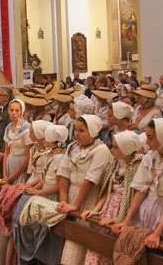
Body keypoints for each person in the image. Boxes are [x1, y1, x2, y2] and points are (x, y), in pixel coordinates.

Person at [112, 119, 163, 234]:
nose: (147, 142)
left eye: (150, 138)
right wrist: (126, 221)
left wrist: (158, 232)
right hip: (146, 210)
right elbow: (141, 192)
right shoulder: (149, 158)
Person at [81, 130, 144, 265]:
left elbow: (135, 197)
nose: (112, 149)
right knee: (96, 246)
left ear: (126, 149)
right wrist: (95, 210)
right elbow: (107, 191)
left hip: (124, 209)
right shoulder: (116, 163)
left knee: (112, 249)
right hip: (109, 206)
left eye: (115, 147)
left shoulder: (138, 166)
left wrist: (118, 219)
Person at [56, 114, 111, 265]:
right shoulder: (72, 146)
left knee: (78, 246)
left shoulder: (101, 150)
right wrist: (63, 199)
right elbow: (63, 173)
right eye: (76, 130)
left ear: (92, 132)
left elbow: (90, 180)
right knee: (66, 241)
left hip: (87, 199)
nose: (76, 134)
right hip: (70, 194)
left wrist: (75, 205)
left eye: (81, 131)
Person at [24, 124, 66, 201]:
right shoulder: (51, 154)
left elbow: (59, 185)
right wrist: (31, 189)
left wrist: (38, 192)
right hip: (44, 189)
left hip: (51, 194)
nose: (44, 139)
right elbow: (44, 178)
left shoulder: (59, 158)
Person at [3, 99, 33, 185]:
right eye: (11, 110)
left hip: (21, 165)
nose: (13, 113)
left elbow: (28, 156)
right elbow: (6, 152)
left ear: (21, 112)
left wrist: (14, 176)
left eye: (17, 110)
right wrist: (4, 173)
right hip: (10, 164)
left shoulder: (26, 129)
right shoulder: (8, 128)